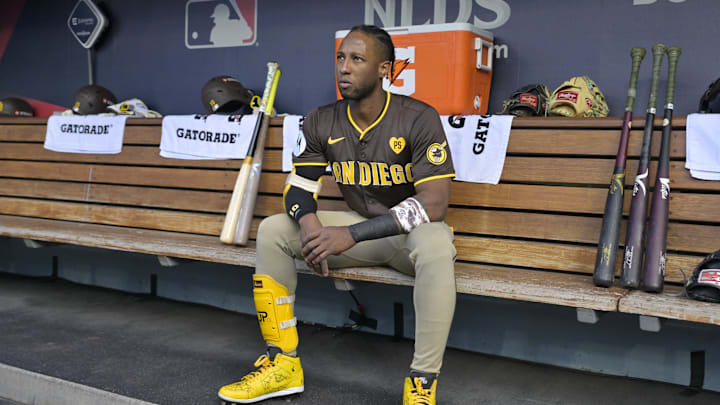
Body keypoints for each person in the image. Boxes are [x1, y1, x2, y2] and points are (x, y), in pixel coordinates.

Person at [218, 25, 457, 405]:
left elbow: (434, 204)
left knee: (436, 244)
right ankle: (283, 364)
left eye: (357, 59)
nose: (344, 68)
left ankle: (422, 383)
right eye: (341, 58)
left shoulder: (417, 117)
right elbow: (298, 188)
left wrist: (353, 234)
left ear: (384, 70)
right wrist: (311, 227)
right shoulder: (322, 119)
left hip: (403, 238)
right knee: (275, 230)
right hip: (359, 235)